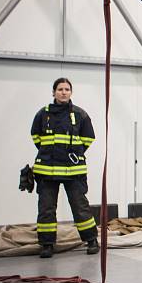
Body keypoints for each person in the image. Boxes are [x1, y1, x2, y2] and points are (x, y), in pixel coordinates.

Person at [30, 78, 98, 258]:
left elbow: (89, 138)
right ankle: (47, 245)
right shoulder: (42, 115)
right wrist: (49, 153)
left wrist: (75, 152)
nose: (63, 92)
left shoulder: (80, 115)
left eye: (67, 89)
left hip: (73, 171)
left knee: (80, 207)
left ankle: (91, 240)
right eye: (60, 89)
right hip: (47, 171)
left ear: (71, 93)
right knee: (46, 209)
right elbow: (36, 137)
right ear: (53, 92)